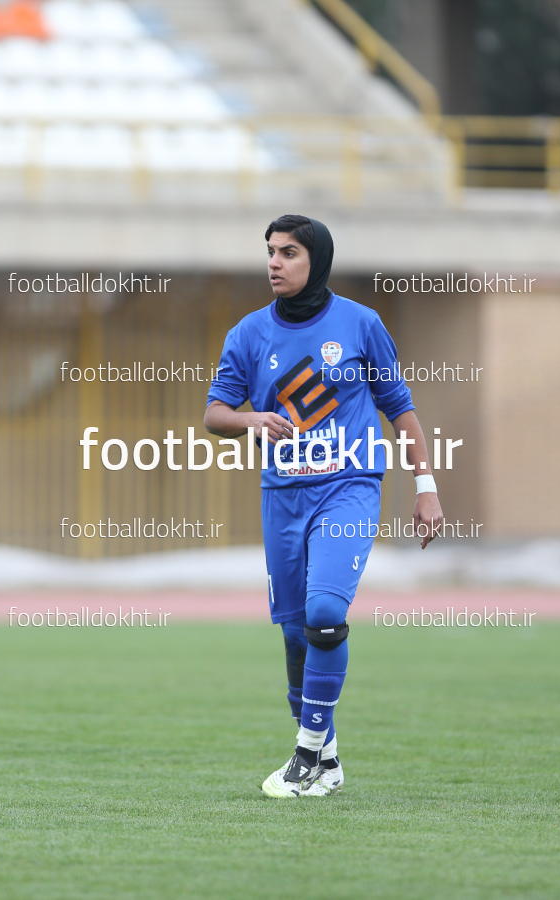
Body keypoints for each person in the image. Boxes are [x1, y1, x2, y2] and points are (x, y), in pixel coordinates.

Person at [204, 215, 443, 798]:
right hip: (283, 496)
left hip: (350, 487)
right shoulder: (248, 334)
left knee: (326, 612)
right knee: (295, 634)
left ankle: (306, 754)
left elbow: (399, 408)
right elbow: (214, 414)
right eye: (270, 251)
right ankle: (329, 762)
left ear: (318, 261)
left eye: (289, 252)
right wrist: (252, 420)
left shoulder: (361, 324)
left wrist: (426, 486)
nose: (274, 262)